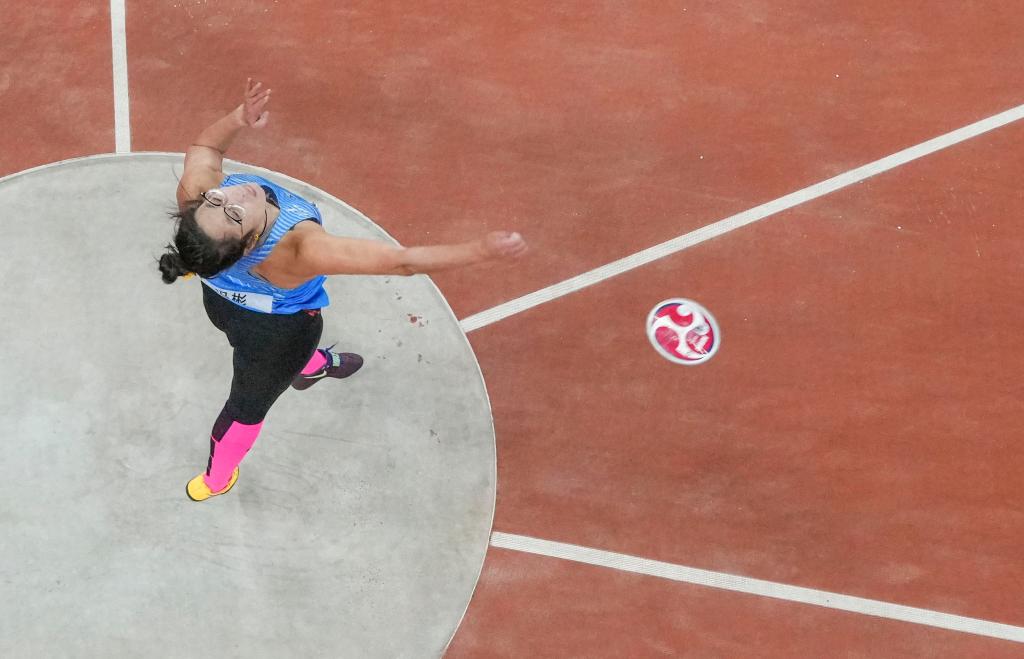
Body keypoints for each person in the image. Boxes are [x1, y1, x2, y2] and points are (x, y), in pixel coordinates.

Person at [159, 78, 528, 502]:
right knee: (246, 408)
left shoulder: (197, 200)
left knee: (262, 354)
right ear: (247, 244)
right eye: (236, 216)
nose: (234, 196)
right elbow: (401, 262)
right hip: (280, 334)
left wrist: (239, 117)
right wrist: (479, 250)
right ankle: (217, 478)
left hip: (221, 304)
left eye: (218, 200)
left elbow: (205, 149)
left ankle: (305, 367)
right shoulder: (299, 248)